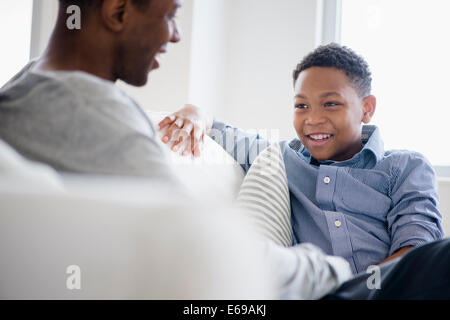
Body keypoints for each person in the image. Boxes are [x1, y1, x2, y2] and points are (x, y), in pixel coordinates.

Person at [159, 43, 444, 275]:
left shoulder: (405, 167)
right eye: (301, 105)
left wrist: (358, 291)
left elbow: (417, 251)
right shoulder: (280, 158)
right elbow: (220, 130)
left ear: (366, 109)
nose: (313, 119)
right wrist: (194, 112)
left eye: (331, 104)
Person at [0, 0, 190, 183]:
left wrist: (210, 123)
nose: (176, 35)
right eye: (170, 15)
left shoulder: (22, 88)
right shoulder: (115, 132)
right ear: (118, 12)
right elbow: (189, 214)